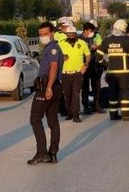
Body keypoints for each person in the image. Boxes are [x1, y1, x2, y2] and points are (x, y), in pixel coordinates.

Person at [28, 22, 63, 165]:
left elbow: (53, 67)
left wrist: (48, 88)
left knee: (35, 117)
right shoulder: (50, 48)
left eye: (45, 34)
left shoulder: (53, 48)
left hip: (48, 86)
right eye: (41, 34)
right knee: (52, 119)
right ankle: (52, 153)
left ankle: (42, 153)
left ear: (52, 32)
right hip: (55, 86)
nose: (43, 36)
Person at [97, 19, 129, 121]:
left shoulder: (107, 41)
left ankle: (113, 115)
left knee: (113, 94)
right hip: (124, 74)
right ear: (123, 29)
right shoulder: (127, 41)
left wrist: (106, 65)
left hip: (111, 74)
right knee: (125, 94)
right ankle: (126, 115)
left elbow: (98, 55)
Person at [57, 24, 90, 123]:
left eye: (72, 34)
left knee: (76, 94)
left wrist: (85, 65)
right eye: (69, 34)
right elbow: (56, 57)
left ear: (76, 34)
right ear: (66, 35)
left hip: (77, 73)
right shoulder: (61, 44)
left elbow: (88, 55)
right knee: (67, 95)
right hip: (65, 73)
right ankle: (69, 112)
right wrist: (62, 58)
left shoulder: (82, 43)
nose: (71, 36)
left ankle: (76, 115)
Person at [82, 21, 104, 114]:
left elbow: (102, 46)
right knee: (85, 87)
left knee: (96, 86)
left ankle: (97, 105)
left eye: (93, 31)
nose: (92, 33)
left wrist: (97, 47)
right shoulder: (79, 39)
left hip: (95, 65)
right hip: (84, 66)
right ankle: (86, 107)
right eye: (90, 31)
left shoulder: (95, 37)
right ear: (85, 31)